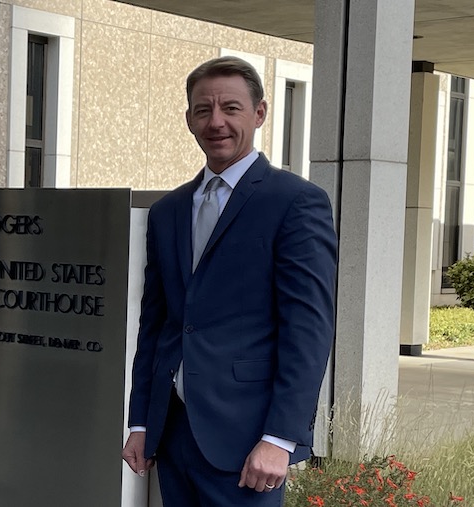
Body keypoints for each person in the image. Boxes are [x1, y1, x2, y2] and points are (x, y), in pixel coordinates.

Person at [121, 56, 337, 506]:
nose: (216, 121)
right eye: (203, 110)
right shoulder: (168, 211)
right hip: (173, 433)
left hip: (248, 443)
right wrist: (140, 422)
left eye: (231, 108)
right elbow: (157, 325)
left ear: (259, 113)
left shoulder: (296, 202)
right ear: (189, 120)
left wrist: (279, 438)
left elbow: (309, 330)